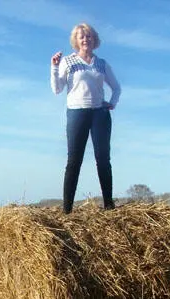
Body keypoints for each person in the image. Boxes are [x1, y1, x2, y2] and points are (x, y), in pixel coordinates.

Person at [51, 23, 121, 214]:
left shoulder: (101, 64)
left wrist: (112, 103)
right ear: (76, 40)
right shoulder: (68, 61)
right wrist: (55, 67)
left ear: (94, 40)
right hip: (76, 113)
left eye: (88, 36)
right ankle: (67, 211)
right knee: (74, 162)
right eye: (82, 36)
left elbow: (117, 87)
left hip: (99, 114)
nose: (85, 39)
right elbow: (57, 89)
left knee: (103, 160)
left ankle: (109, 206)